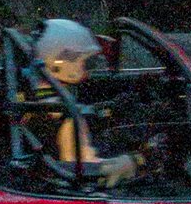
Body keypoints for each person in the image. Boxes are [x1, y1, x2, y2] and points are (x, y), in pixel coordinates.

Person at [29, 17, 136, 187]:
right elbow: (83, 170)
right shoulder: (67, 117)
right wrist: (133, 161)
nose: (87, 67)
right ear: (61, 63)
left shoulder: (36, 99)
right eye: (84, 61)